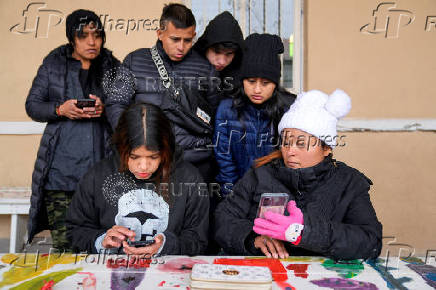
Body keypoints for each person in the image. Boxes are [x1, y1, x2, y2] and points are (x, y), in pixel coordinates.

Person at [215, 89, 383, 260]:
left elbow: (371, 242)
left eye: (302, 144)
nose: (290, 151)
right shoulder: (260, 175)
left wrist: (304, 232)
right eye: (286, 142)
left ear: (326, 148)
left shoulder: (349, 182)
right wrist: (251, 239)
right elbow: (223, 218)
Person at [25, 9, 120, 250]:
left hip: (102, 175)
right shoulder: (53, 63)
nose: (91, 42)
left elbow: (126, 109)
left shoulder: (111, 65)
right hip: (60, 175)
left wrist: (106, 108)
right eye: (83, 36)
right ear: (71, 38)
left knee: (103, 248)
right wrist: (60, 109)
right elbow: (33, 105)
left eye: (97, 35)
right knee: (65, 249)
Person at [66, 104, 210, 255]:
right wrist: (101, 241)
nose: (143, 166)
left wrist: (166, 246)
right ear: (121, 148)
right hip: (108, 272)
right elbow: (75, 231)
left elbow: (198, 239)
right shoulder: (97, 176)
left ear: (166, 150)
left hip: (169, 273)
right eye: (134, 157)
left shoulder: (189, 178)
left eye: (153, 157)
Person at [106, 4, 220, 183]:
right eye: (175, 39)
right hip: (148, 165)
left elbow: (215, 116)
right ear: (160, 34)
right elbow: (116, 103)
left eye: (187, 40)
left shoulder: (205, 68)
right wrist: (133, 141)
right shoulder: (135, 61)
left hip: (194, 165)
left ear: (194, 37)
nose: (181, 47)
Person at [214, 33, 295, 196]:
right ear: (242, 80)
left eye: (265, 83)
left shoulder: (290, 109)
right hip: (239, 193)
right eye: (251, 82)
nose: (257, 89)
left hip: (279, 195)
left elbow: (296, 161)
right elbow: (225, 160)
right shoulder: (226, 109)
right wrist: (232, 199)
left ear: (275, 83)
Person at [193, 11, 244, 92]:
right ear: (205, 48)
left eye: (229, 54)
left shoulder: (244, 79)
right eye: (217, 52)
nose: (222, 62)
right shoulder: (188, 70)